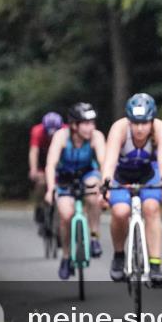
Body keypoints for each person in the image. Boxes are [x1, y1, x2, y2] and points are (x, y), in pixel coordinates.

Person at [102, 93, 162, 287]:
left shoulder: (161, 129)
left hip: (149, 173)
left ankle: (155, 265)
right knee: (120, 211)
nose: (140, 128)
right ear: (129, 121)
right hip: (121, 174)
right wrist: (105, 189)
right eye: (135, 123)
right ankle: (119, 255)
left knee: (151, 207)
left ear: (152, 121)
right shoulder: (119, 128)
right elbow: (109, 162)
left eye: (144, 123)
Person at [44, 103, 106, 280]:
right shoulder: (61, 137)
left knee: (94, 194)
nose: (90, 127)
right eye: (85, 123)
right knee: (65, 215)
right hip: (65, 178)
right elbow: (51, 165)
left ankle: (94, 237)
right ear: (74, 125)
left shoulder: (96, 136)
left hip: (88, 173)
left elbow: (103, 161)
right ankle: (66, 257)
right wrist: (50, 189)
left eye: (92, 123)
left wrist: (104, 186)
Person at [29, 112, 63, 225]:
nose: (51, 136)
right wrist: (34, 169)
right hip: (44, 161)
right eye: (49, 133)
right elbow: (34, 151)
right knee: (41, 183)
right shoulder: (37, 131)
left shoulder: (66, 131)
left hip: (60, 160)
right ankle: (39, 206)